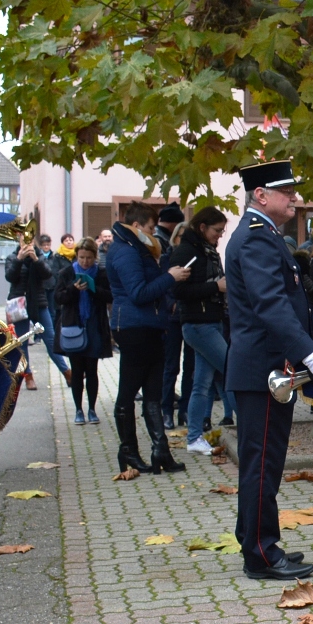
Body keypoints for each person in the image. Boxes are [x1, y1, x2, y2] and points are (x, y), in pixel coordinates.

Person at [224, 159, 313, 581]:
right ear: (260, 195)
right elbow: (270, 305)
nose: (296, 198)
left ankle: (259, 542)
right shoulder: (256, 239)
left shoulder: (265, 236)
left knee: (265, 463)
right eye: (287, 191)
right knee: (262, 464)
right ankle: (260, 553)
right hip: (264, 370)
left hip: (269, 368)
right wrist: (309, 355)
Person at [103, 201, 191, 475]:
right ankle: (129, 450)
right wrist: (170, 277)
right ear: (137, 226)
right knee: (129, 392)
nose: (155, 232)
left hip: (148, 326)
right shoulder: (126, 251)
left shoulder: (138, 249)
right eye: (152, 227)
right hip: (133, 327)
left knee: (152, 391)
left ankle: (159, 450)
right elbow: (139, 293)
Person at [167, 206, 235, 453]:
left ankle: (194, 438)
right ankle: (252, 427)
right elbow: (177, 291)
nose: (220, 235)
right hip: (198, 323)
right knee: (232, 370)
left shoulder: (207, 251)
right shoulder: (187, 252)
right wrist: (215, 288)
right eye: (217, 230)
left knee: (202, 383)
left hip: (210, 321)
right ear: (203, 227)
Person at [53, 236, 112, 424]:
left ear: (95, 256)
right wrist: (73, 289)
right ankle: (78, 410)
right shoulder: (67, 272)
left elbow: (110, 296)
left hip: (94, 325)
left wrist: (93, 289)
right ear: (76, 256)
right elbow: (58, 298)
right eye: (81, 258)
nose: (85, 262)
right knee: (77, 370)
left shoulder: (101, 273)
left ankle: (92, 409)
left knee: (92, 369)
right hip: (74, 325)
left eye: (89, 258)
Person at [5, 231, 65, 389]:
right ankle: (28, 376)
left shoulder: (40, 256)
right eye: (24, 240)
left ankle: (66, 372)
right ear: (19, 240)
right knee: (22, 343)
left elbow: (47, 274)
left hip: (38, 302)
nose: (27, 243)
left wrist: (35, 259)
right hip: (19, 304)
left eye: (30, 240)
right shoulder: (12, 257)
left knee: (51, 339)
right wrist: (19, 259)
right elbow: (10, 277)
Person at [153, 203, 186, 429]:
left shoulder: (197, 256)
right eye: (180, 236)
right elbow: (163, 286)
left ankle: (185, 411)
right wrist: (171, 304)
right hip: (173, 317)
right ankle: (166, 411)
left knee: (191, 369)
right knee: (171, 366)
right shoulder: (167, 257)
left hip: (192, 315)